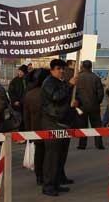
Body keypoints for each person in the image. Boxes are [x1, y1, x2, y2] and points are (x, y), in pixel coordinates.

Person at [41, 59, 77, 197]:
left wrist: (73, 102)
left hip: (62, 122)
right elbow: (56, 97)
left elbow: (63, 99)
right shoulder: (49, 82)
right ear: (52, 70)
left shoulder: (59, 82)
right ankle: (48, 185)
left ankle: (56, 183)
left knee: (60, 156)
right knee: (52, 156)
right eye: (58, 68)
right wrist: (69, 85)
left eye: (62, 68)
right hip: (52, 122)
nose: (61, 70)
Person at [23, 68, 51, 185]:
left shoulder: (29, 94)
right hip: (49, 128)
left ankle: (39, 176)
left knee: (39, 153)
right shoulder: (48, 93)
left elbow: (26, 116)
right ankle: (48, 177)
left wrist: (28, 132)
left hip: (35, 129)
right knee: (49, 155)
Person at [76, 60, 105, 150]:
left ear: (82, 67)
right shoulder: (96, 77)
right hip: (94, 105)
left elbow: (75, 92)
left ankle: (82, 144)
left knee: (82, 125)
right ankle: (99, 144)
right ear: (91, 67)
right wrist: (97, 102)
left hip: (81, 106)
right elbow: (100, 93)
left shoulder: (78, 78)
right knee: (97, 125)